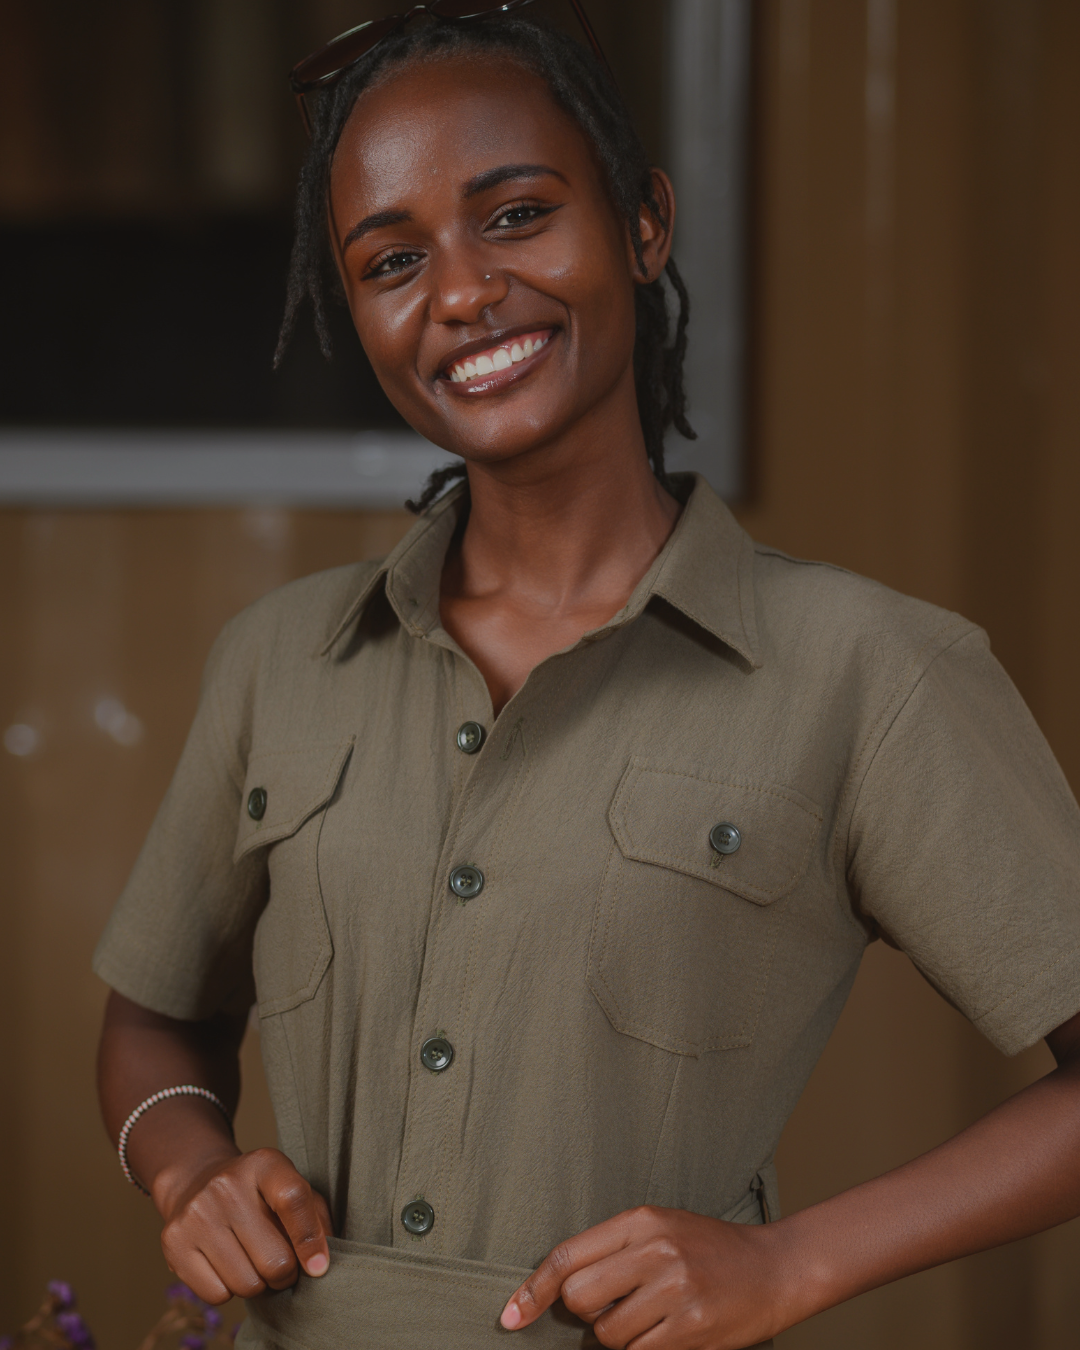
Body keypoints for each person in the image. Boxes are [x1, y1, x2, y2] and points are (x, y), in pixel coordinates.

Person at [94, 7, 1080, 1349]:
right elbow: (155, 1021)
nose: (457, 293)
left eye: (513, 216)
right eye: (391, 259)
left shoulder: (869, 670)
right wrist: (190, 1169)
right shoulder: (278, 659)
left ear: (645, 222)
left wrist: (793, 1262)